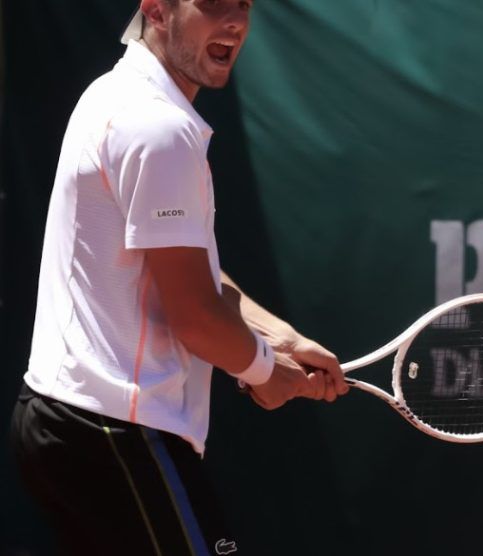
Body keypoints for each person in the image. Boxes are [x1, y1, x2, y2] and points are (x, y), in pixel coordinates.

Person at [8, 1, 349, 554]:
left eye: (243, 4)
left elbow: (180, 263)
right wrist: (264, 370)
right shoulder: (158, 129)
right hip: (116, 433)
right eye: (212, 3)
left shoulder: (113, 94)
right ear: (157, 11)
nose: (234, 20)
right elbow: (194, 317)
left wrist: (278, 336)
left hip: (61, 419)